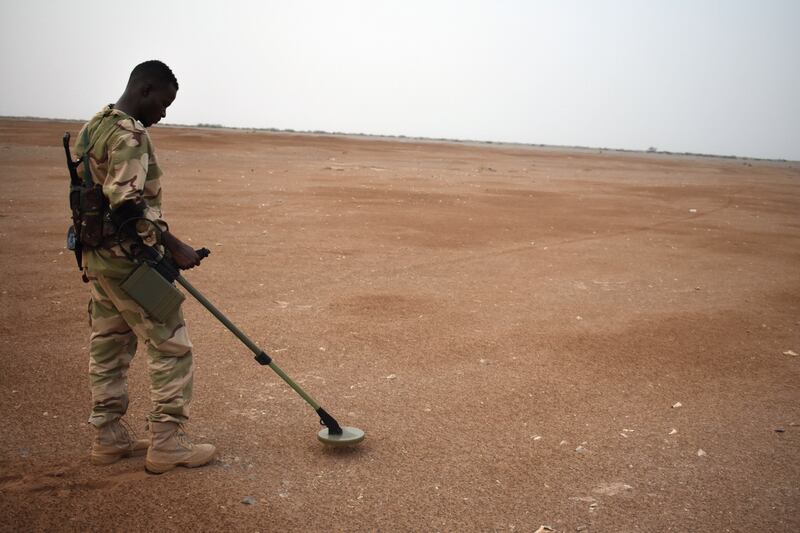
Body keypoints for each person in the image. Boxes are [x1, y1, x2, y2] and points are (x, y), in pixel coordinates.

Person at [73, 60, 215, 473]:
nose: (164, 114)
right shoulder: (130, 133)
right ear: (146, 89)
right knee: (171, 345)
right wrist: (174, 246)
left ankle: (108, 436)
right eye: (164, 104)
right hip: (129, 261)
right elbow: (126, 204)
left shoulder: (95, 126)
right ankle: (168, 443)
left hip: (97, 256)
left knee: (109, 345)